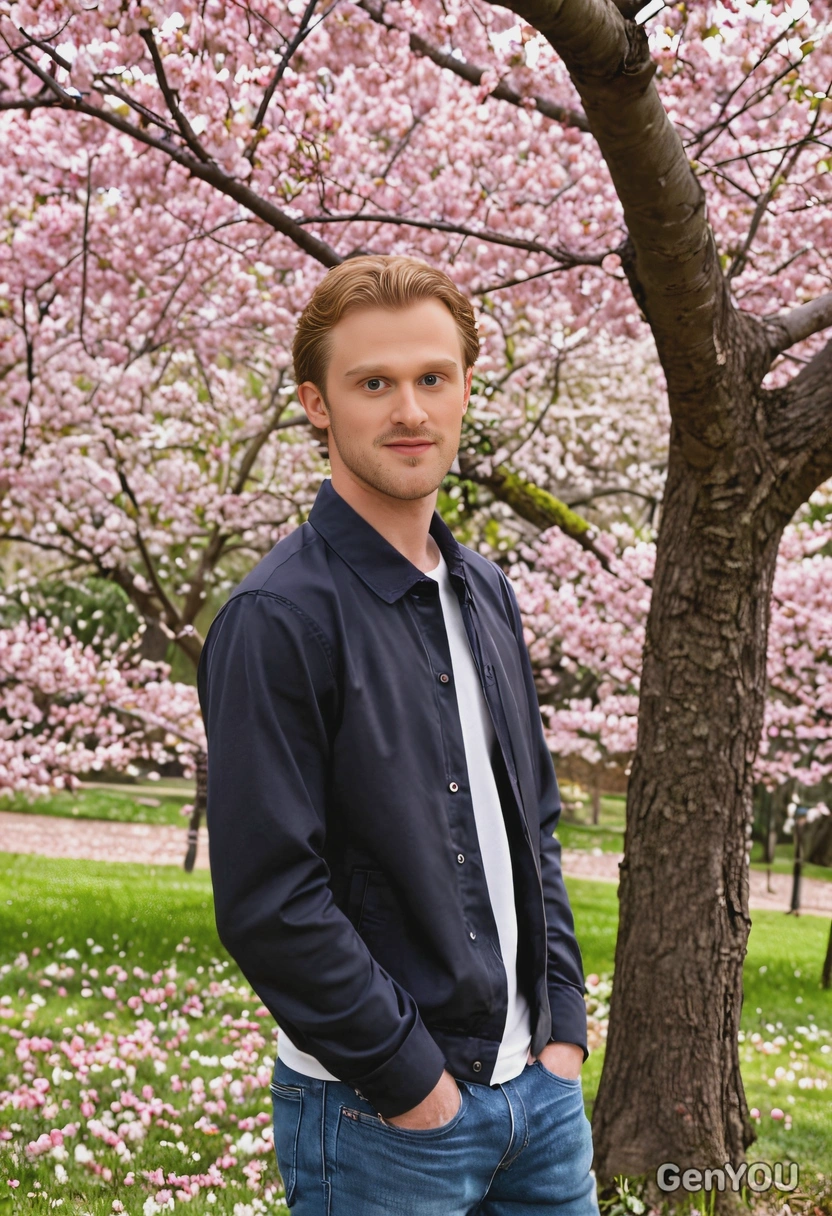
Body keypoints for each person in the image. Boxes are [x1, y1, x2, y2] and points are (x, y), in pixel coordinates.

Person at [197, 254, 600, 1214]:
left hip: (539, 1104)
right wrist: (412, 1083)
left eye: (433, 378)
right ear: (317, 404)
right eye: (373, 383)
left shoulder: (484, 590)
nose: (409, 410)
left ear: (465, 389)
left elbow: (530, 822)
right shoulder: (276, 617)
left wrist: (563, 1034)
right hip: (383, 1120)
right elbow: (270, 898)